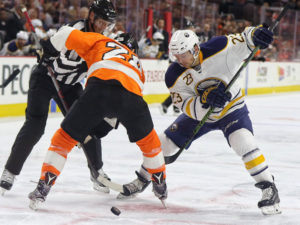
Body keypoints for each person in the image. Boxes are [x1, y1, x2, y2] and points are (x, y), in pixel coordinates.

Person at [118, 25, 281, 215]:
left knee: (243, 142)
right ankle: (143, 178)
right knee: (163, 144)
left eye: (183, 55)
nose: (179, 60)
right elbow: (186, 106)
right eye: (176, 56)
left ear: (195, 49)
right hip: (201, 115)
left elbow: (246, 40)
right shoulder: (173, 74)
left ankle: (269, 187)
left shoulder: (219, 47)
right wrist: (205, 100)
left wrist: (256, 34)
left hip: (232, 110)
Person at [27, 29, 168, 210]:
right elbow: (115, 112)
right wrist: (93, 130)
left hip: (98, 88)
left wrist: (49, 49)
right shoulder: (138, 66)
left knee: (63, 139)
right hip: (131, 95)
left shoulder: (100, 41)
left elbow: (67, 34)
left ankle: (42, 188)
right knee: (150, 143)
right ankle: (160, 186)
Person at [0, 0, 117, 195]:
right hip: (45, 78)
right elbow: (50, 46)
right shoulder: (73, 30)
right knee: (35, 125)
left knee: (86, 125)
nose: (104, 27)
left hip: (70, 85)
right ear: (91, 16)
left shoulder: (103, 41)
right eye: (101, 22)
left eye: (107, 23)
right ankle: (9, 172)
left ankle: (97, 172)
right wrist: (46, 53)